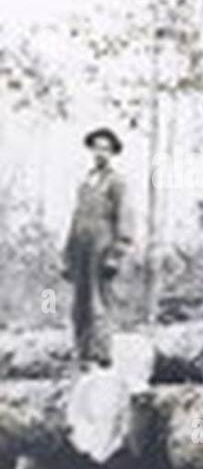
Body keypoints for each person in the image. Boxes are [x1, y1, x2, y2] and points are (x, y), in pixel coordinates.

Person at [63, 127, 133, 369]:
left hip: (102, 246)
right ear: (91, 150)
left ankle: (101, 354)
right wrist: (67, 255)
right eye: (97, 148)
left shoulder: (116, 182)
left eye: (106, 148)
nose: (100, 153)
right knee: (79, 303)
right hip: (81, 247)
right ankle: (82, 352)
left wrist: (116, 253)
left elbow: (124, 218)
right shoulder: (85, 183)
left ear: (112, 152)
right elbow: (76, 220)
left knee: (99, 301)